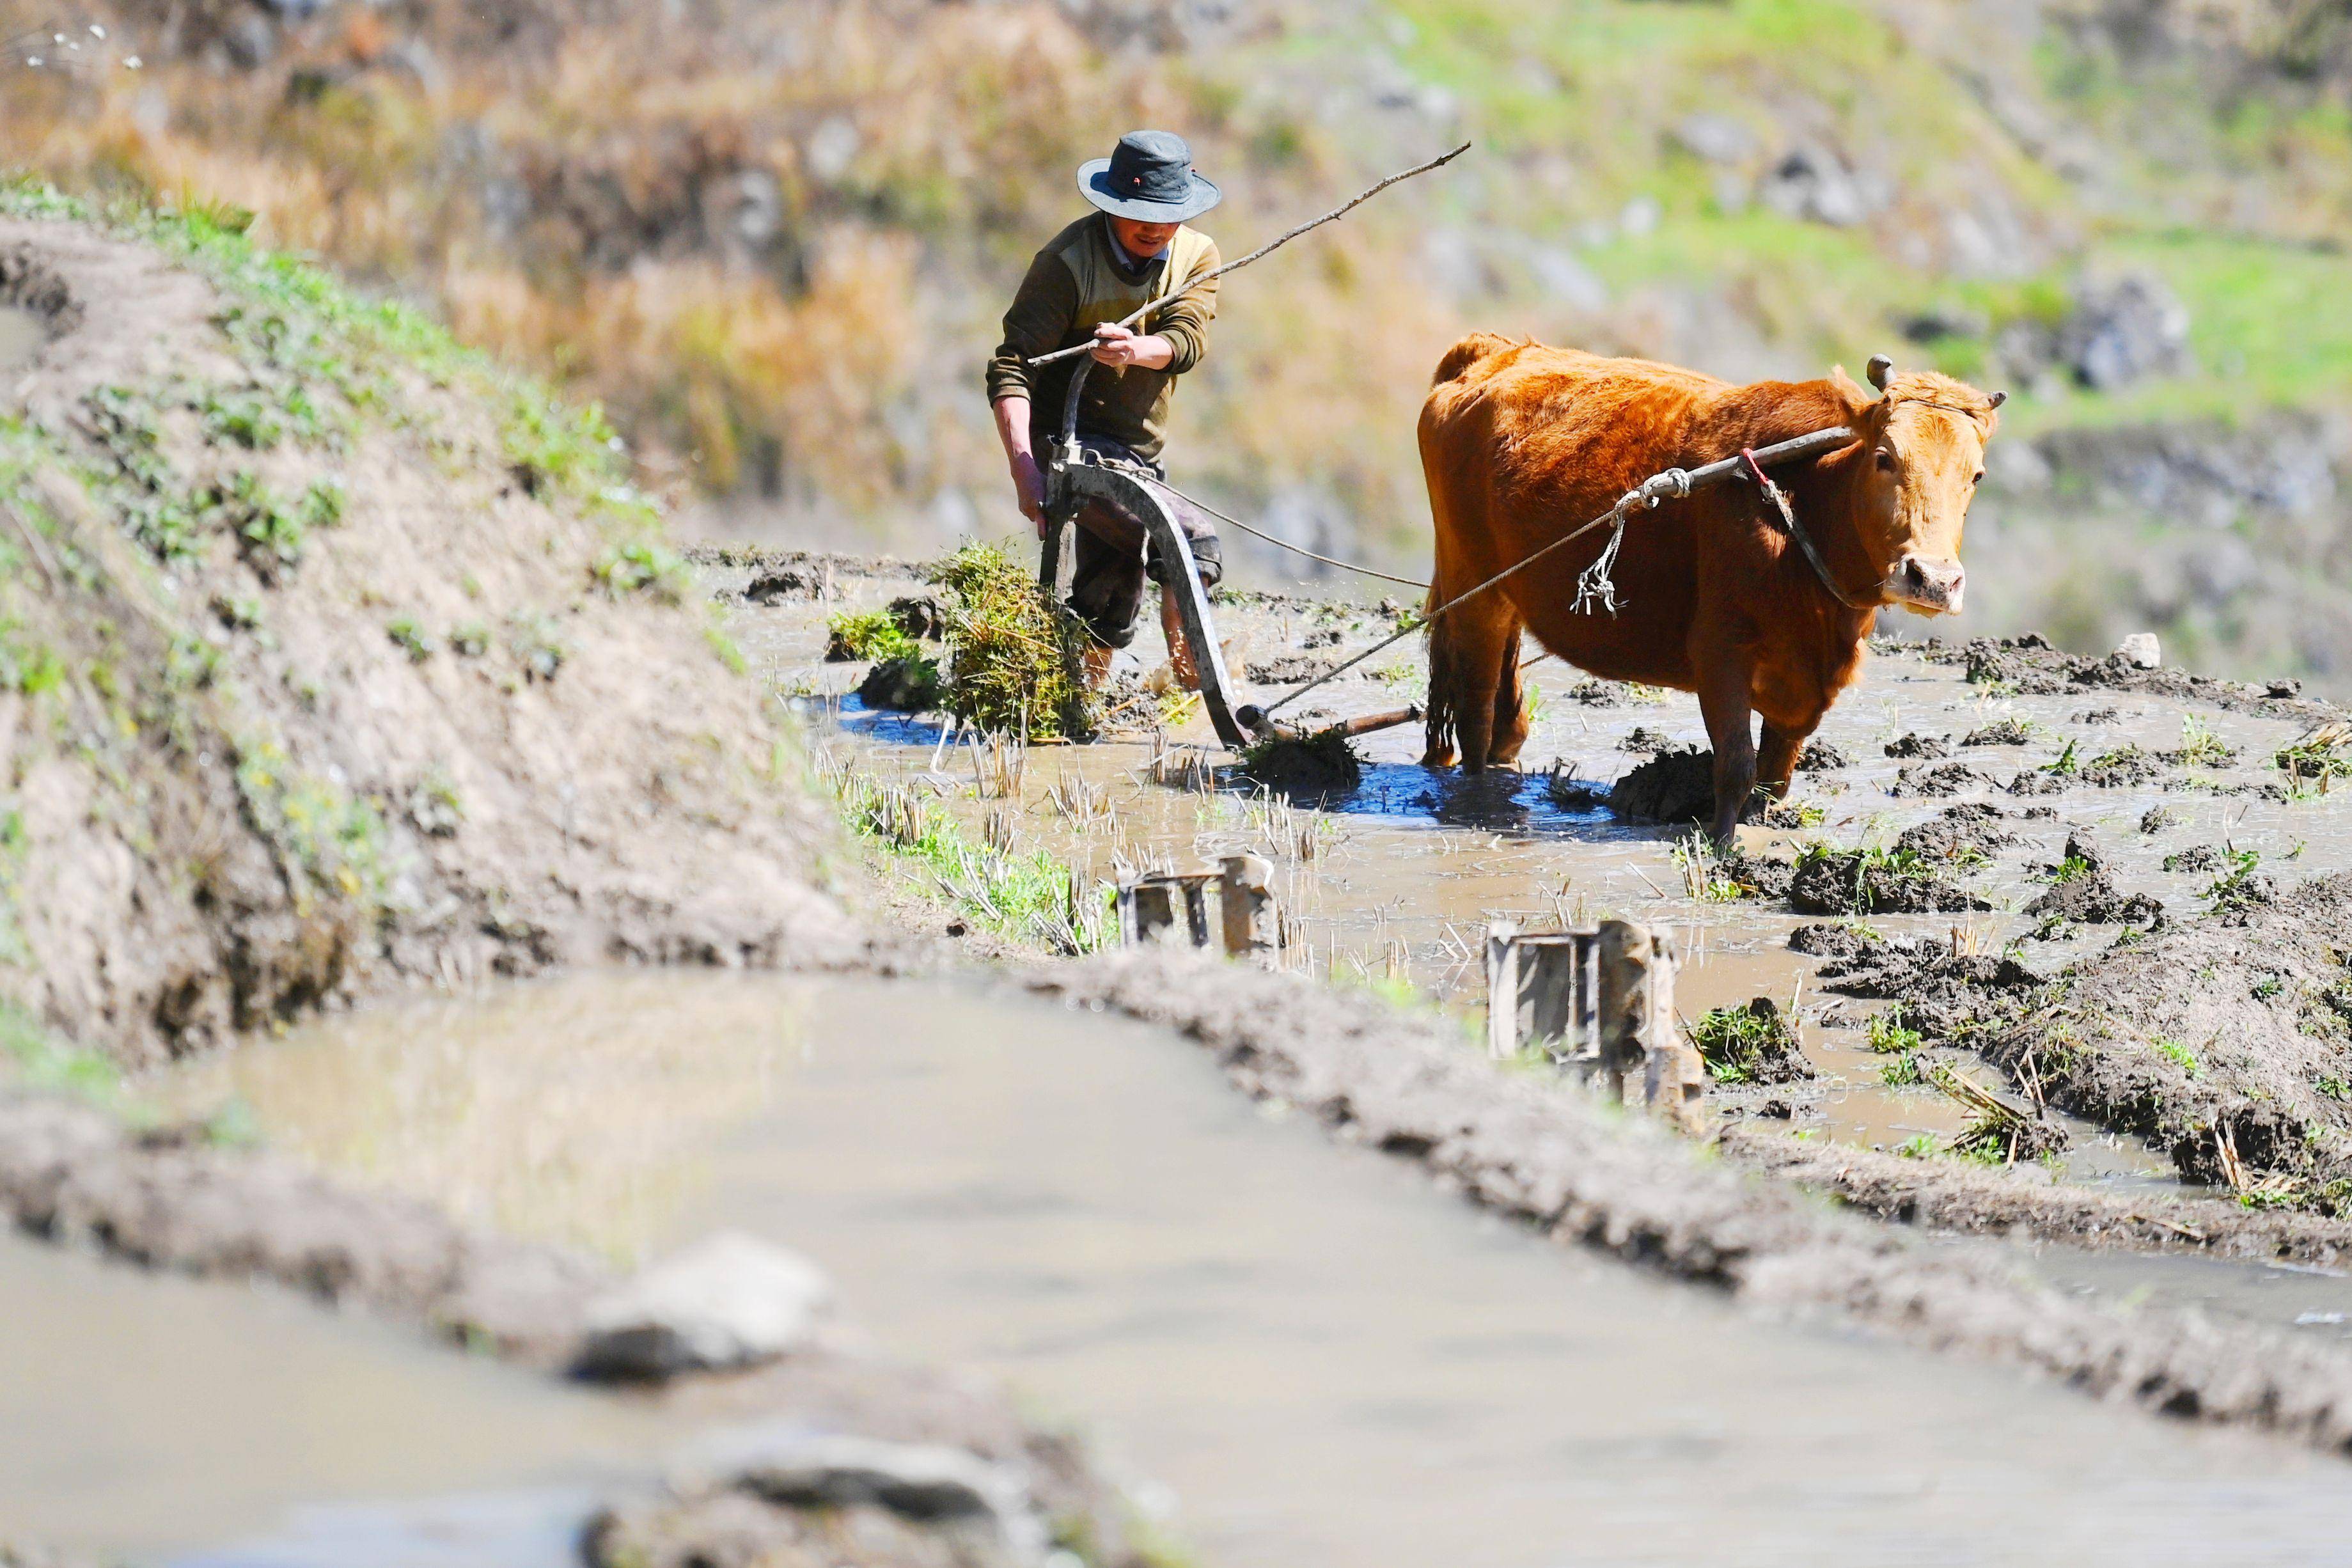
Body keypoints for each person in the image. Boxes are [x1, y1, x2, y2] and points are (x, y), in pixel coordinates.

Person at [985, 129, 1224, 687]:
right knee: (1187, 541)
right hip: (1065, 442)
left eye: (1167, 214)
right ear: (1112, 206)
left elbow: (1187, 340)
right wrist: (1026, 469)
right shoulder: (1066, 263)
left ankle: (1080, 702)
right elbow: (1012, 367)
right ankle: (1203, 693)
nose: (1154, 226)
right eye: (1139, 212)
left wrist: (1134, 349)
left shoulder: (1197, 255)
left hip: (1138, 453)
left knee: (1109, 592)